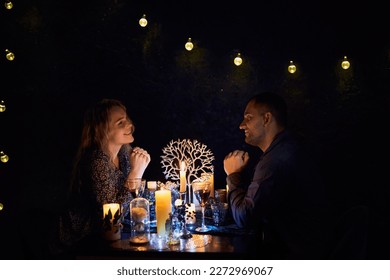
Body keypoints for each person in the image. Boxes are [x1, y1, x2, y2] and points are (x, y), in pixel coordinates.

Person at [223, 91, 334, 259]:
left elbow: (245, 218)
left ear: (267, 119)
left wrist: (233, 174)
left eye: (249, 118)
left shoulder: (276, 160)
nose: (241, 125)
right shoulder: (288, 147)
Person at [50, 98, 151, 257]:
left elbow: (133, 202)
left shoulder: (124, 154)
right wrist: (135, 175)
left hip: (108, 239)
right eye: (120, 123)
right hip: (81, 243)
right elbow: (111, 220)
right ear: (102, 130)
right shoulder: (96, 161)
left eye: (126, 119)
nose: (129, 125)